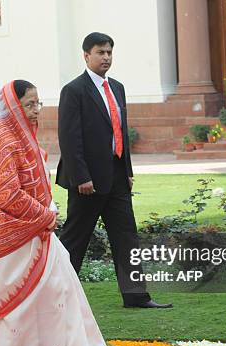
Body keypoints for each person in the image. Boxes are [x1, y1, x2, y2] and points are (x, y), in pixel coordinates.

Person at [0, 80, 115, 346]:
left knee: (60, 295)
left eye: (39, 103)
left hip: (38, 235)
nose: (36, 111)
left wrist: (44, 215)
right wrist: (45, 215)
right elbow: (8, 195)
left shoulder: (23, 138)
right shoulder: (3, 141)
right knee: (18, 309)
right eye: (29, 104)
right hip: (11, 241)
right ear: (12, 107)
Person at [56, 32, 172, 309]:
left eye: (109, 52)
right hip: (88, 180)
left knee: (127, 237)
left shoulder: (117, 87)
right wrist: (81, 176)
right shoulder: (73, 91)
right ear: (86, 56)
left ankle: (136, 296)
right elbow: (69, 138)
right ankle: (55, 293)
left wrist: (127, 170)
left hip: (117, 176)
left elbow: (120, 132)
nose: (106, 57)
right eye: (100, 52)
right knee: (75, 238)